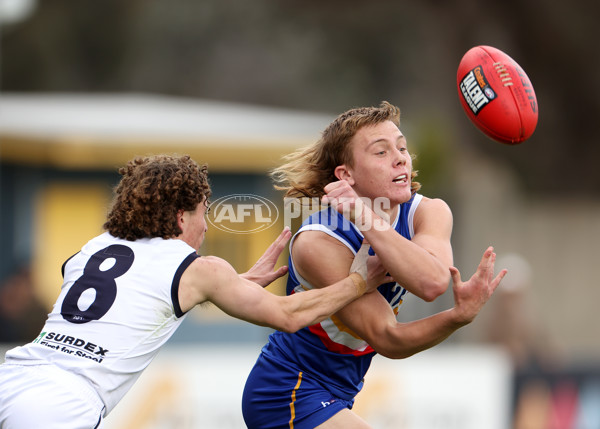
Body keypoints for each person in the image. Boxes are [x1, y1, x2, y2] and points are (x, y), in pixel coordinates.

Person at [0, 154, 389, 429]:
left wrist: (233, 284)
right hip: (62, 403)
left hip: (15, 377)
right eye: (204, 211)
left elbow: (133, 289)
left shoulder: (93, 248)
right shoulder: (196, 269)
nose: (205, 226)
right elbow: (289, 315)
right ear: (181, 216)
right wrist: (360, 282)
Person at [241, 101, 507, 428]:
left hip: (340, 391)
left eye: (402, 147)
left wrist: (459, 315)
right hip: (288, 389)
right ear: (345, 175)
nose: (400, 158)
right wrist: (366, 216)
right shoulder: (319, 243)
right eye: (381, 152)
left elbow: (433, 281)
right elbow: (388, 337)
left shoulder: (428, 212)